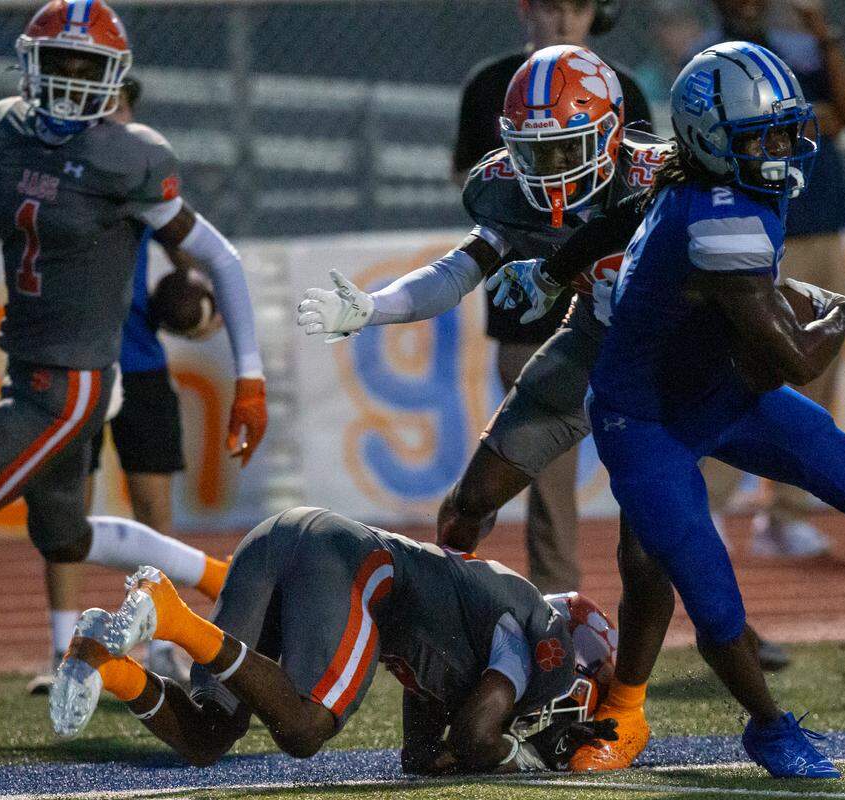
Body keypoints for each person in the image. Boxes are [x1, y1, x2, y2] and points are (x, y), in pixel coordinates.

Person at [298, 45, 786, 773]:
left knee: (644, 548)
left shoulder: (668, 173)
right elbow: (456, 272)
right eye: (536, 151)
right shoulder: (503, 190)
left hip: (669, 366)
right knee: (466, 506)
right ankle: (434, 674)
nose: (550, 168)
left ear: (613, 131)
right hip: (590, 343)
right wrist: (373, 307)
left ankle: (625, 709)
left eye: (565, 147)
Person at [578, 41, 845, 778]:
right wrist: (835, 311)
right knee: (711, 595)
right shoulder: (720, 222)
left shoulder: (700, 177)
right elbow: (797, 361)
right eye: (765, 136)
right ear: (713, 140)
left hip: (721, 390)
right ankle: (770, 728)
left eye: (786, 130)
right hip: (647, 422)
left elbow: (631, 213)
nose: (783, 149)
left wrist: (557, 270)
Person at [0, 0, 268, 681]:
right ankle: (215, 573)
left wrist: (250, 378)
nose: (67, 75)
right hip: (29, 371)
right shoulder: (4, 134)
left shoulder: (125, 159)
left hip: (68, 386)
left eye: (84, 64)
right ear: (28, 64)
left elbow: (223, 260)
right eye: (56, 60)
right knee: (63, 534)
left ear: (112, 75)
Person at [50, 506, 619, 775]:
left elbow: (423, 757)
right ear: (567, 655)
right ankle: (172, 617)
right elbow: (475, 734)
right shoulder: (522, 637)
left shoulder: (471, 634)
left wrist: (471, 750)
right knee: (304, 727)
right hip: (351, 560)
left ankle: (108, 660)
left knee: (206, 736)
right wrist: (535, 761)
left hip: (282, 536)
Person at [449, 0, 655, 593]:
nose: (564, 21)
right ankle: (556, 605)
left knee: (662, 462)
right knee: (544, 471)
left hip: (610, 306)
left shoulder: (624, 90)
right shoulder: (490, 85)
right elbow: (475, 185)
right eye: (550, 7)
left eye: (577, 7)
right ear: (524, 9)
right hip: (527, 307)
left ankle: (710, 604)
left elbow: (646, 196)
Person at [27, 76, 219, 694]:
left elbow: (190, 253)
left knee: (155, 516)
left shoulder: (141, 186)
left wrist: (198, 305)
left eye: (122, 109)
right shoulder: (54, 182)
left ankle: (163, 643)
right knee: (66, 511)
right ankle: (64, 651)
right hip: (71, 363)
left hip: (137, 362)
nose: (114, 121)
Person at [686, 0, 845, 557]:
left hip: (817, 228)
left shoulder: (799, 50)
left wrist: (823, 33)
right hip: (750, 231)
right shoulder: (712, 58)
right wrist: (813, 120)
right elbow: (737, 133)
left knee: (816, 372)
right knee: (738, 369)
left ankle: (787, 512)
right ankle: (707, 505)